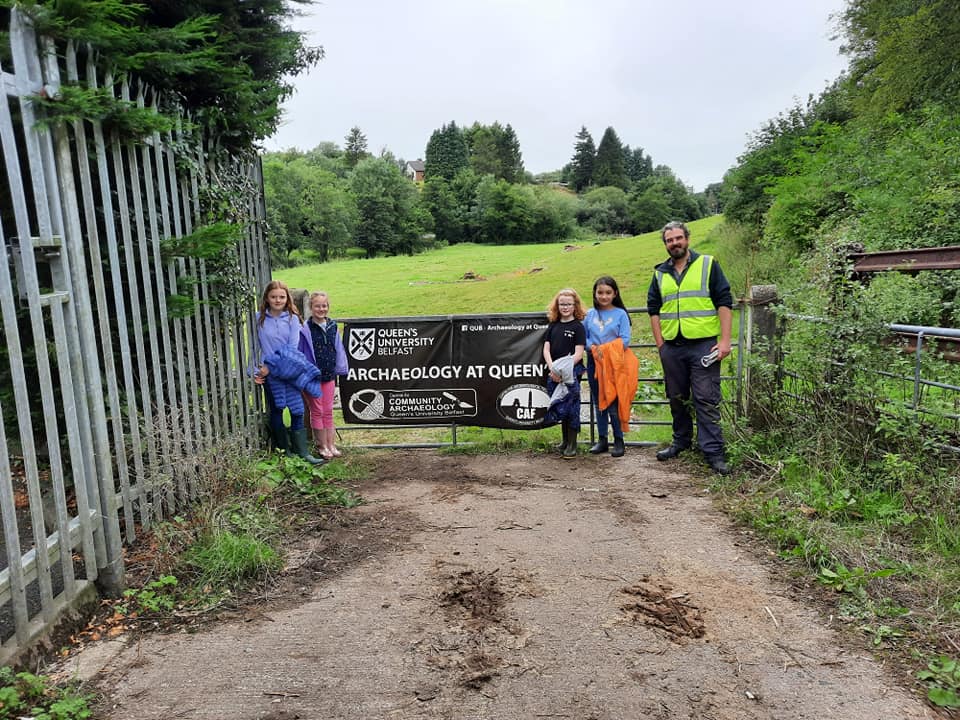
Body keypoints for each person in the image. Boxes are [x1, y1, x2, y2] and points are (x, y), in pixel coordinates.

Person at [648, 221, 734, 475]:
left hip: (703, 345)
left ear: (687, 238)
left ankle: (713, 453)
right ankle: (681, 441)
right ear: (665, 244)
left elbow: (724, 301)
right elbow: (654, 309)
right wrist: (661, 346)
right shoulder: (660, 273)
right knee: (677, 398)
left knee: (706, 398)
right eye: (669, 240)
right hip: (672, 346)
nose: (674, 243)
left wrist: (725, 340)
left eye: (678, 238)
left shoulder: (707, 264)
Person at [251, 280, 324, 465]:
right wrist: (255, 371)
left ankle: (303, 452)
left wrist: (272, 365)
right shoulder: (258, 318)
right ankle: (285, 452)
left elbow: (291, 348)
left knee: (297, 410)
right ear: (267, 298)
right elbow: (253, 346)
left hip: (291, 371)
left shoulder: (292, 319)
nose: (278, 300)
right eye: (273, 297)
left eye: (281, 297)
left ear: (287, 299)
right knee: (276, 409)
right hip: (269, 375)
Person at [584, 276, 633, 458]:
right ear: (595, 294)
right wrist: (593, 349)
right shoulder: (590, 315)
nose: (604, 296)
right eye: (600, 292)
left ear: (615, 294)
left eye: (608, 293)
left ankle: (619, 440)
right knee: (599, 402)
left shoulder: (621, 314)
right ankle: (602, 439)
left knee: (613, 401)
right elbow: (584, 337)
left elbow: (625, 340)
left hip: (613, 364)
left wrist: (604, 350)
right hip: (594, 362)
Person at [299, 291, 349, 460]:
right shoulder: (305, 329)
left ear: (328, 307)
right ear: (311, 307)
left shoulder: (332, 326)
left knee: (328, 410)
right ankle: (321, 446)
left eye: (324, 306)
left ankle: (331, 444)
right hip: (312, 377)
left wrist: (341, 368)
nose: (321, 309)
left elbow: (338, 348)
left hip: (329, 375)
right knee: (317, 410)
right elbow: (301, 352)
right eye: (317, 306)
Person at [542, 288, 587, 458]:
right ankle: (564, 441)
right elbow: (546, 349)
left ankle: (572, 444)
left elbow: (578, 354)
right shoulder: (553, 325)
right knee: (560, 404)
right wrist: (553, 368)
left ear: (575, 305)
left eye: (568, 304)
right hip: (554, 372)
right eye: (562, 304)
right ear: (557, 305)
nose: (565, 307)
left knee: (571, 406)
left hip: (571, 371)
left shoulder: (578, 327)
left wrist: (563, 370)